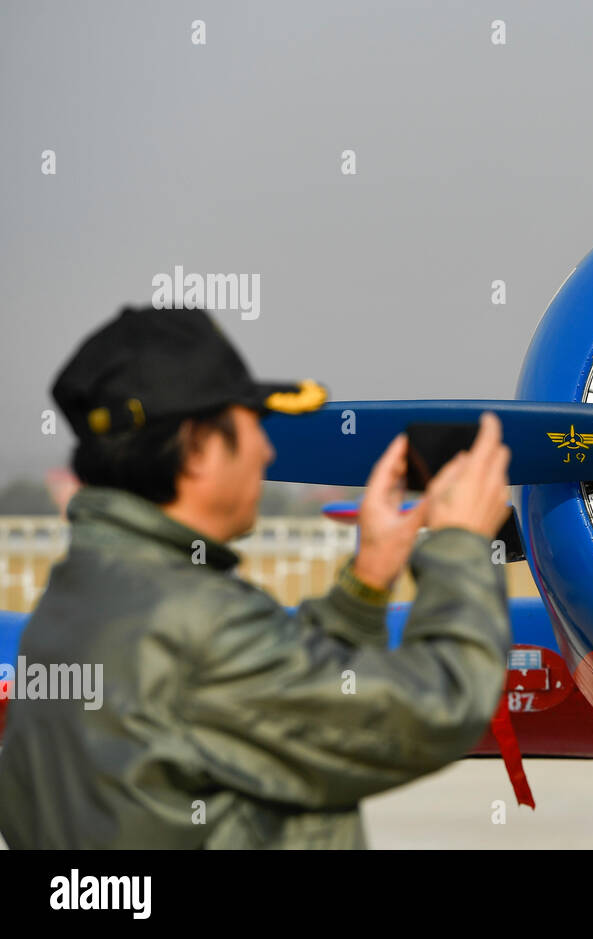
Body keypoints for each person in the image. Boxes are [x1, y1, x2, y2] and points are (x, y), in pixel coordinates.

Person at [0, 306, 513, 848]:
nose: (267, 452)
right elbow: (438, 708)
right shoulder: (195, 622)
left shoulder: (82, 592)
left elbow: (280, 702)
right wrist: (462, 545)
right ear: (199, 447)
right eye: (253, 427)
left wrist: (367, 580)